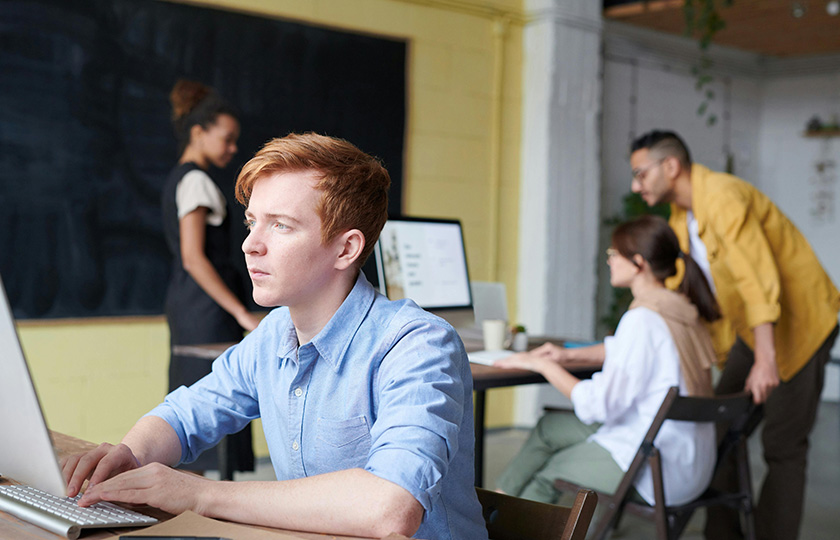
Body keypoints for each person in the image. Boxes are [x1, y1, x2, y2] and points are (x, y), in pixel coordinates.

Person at [62, 132, 488, 539]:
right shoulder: (274, 335)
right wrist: (130, 453)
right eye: (252, 223)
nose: (250, 245)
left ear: (346, 248)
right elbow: (186, 414)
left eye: (281, 225)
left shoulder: (418, 344)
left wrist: (201, 494)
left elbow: (390, 507)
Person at [629, 130, 840, 540]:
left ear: (670, 167)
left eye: (640, 174)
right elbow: (683, 296)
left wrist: (765, 360)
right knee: (717, 430)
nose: (636, 185)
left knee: (784, 447)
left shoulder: (723, 197)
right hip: (756, 329)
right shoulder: (681, 218)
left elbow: (757, 280)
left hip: (802, 323)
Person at [494, 215, 719, 508]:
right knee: (549, 428)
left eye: (614, 254)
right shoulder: (678, 310)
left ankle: (498, 523)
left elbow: (598, 405)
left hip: (655, 466)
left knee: (547, 474)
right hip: (689, 459)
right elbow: (627, 350)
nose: (609, 261)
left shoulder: (642, 320)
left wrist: (543, 366)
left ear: (639, 262)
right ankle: (493, 508)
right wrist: (567, 355)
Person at [162, 79, 260, 474]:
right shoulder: (196, 180)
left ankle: (194, 516)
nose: (233, 148)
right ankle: (197, 524)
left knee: (199, 411)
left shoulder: (183, 178)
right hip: (206, 312)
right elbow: (193, 258)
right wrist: (242, 313)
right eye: (227, 138)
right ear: (199, 132)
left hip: (193, 309)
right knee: (205, 415)